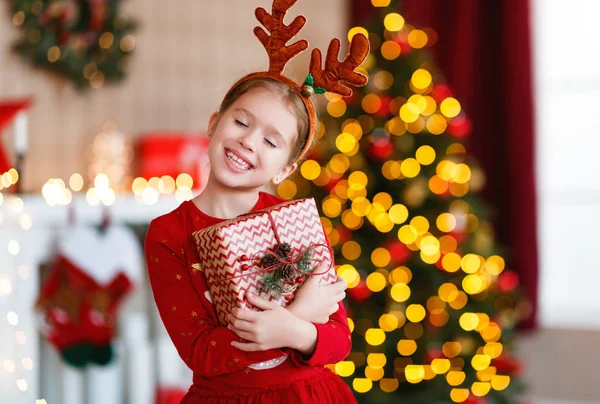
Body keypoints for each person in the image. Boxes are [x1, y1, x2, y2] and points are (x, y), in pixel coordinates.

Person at [145, 1, 369, 402]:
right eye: (241, 122)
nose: (248, 141)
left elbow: (338, 340)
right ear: (214, 125)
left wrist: (295, 330)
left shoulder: (296, 223)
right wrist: (297, 318)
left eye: (270, 140)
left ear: (284, 170)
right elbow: (201, 353)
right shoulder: (169, 234)